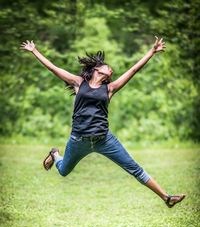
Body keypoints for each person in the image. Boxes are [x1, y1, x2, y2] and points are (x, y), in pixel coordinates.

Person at [20, 36, 186, 208]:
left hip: (104, 140)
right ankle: (55, 155)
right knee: (62, 171)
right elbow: (54, 68)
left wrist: (151, 52)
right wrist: (35, 51)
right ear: (97, 69)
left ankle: (167, 198)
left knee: (134, 168)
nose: (111, 69)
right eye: (108, 67)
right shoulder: (78, 83)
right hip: (79, 140)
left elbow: (134, 70)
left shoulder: (110, 89)